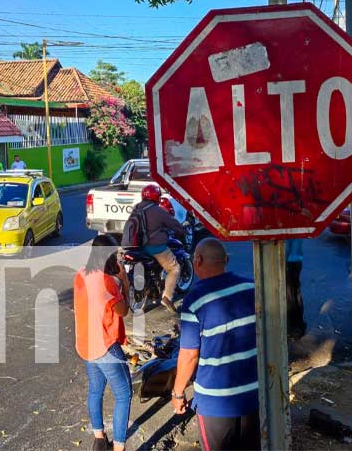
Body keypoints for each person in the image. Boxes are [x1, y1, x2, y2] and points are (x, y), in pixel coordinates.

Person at [172, 238, 260, 451]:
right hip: (254, 396)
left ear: (198, 260)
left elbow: (189, 356)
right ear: (226, 260)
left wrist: (178, 393)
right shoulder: (252, 288)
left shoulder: (194, 301)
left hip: (216, 403)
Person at [73, 234, 132, 451]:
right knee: (124, 394)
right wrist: (124, 281)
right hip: (104, 347)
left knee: (96, 391)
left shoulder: (80, 273)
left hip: (86, 344)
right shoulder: (108, 283)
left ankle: (99, 440)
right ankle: (118, 448)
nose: (118, 258)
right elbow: (124, 310)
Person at [129, 184, 185, 314]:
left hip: (136, 247)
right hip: (154, 247)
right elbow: (172, 223)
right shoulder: (158, 210)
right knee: (174, 268)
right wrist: (181, 230)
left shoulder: (136, 208)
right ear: (156, 197)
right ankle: (167, 297)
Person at [286, 239, 307, 338]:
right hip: (297, 259)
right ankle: (298, 326)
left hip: (287, 260)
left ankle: (293, 328)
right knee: (295, 292)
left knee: (290, 294)